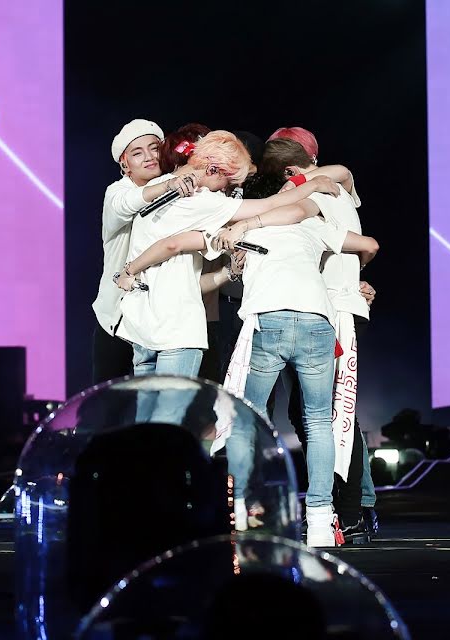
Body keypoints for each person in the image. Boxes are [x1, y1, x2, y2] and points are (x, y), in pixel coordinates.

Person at [220, 172, 379, 547]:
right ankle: (322, 520)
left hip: (270, 318)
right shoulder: (313, 224)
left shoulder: (242, 227)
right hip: (317, 321)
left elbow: (224, 278)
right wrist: (352, 278)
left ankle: (246, 510)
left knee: (249, 419)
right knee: (319, 421)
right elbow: (369, 244)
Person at [112, 130, 340, 379]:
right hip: (175, 328)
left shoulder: (158, 185)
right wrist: (312, 184)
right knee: (174, 403)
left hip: (141, 325)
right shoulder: (203, 200)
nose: (227, 190)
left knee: (145, 403)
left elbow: (180, 262)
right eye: (228, 183)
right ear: (213, 170)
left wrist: (131, 270)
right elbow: (269, 205)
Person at [259, 134, 380, 541]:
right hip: (333, 308)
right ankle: (351, 510)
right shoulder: (335, 188)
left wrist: (292, 188)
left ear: (291, 170)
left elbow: (331, 182)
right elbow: (364, 243)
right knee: (326, 413)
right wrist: (355, 274)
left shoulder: (310, 194)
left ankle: (348, 513)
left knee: (327, 414)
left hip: (330, 311)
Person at [91, 118, 200, 384]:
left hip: (161, 316)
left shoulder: (180, 188)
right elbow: (128, 203)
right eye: (138, 153)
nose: (149, 157)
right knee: (110, 400)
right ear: (124, 164)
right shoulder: (117, 191)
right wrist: (169, 184)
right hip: (118, 316)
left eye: (154, 148)